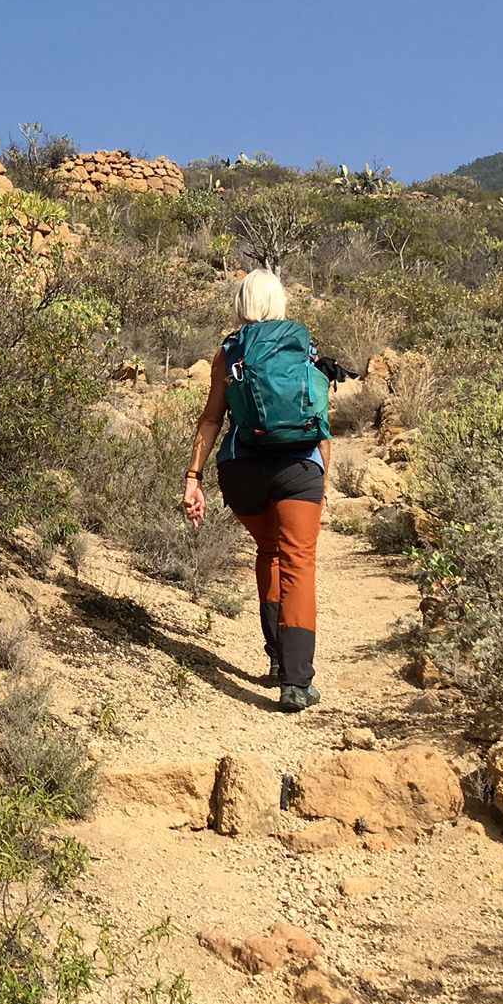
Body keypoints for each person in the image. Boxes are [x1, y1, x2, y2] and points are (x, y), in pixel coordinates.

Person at [180, 269, 330, 712]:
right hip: (299, 466)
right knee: (298, 560)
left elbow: (211, 419)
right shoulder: (305, 346)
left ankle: (275, 657)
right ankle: (296, 682)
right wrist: (324, 477)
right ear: (279, 302)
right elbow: (321, 418)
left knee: (269, 550)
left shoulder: (228, 353)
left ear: (242, 304)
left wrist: (194, 477)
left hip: (241, 468)